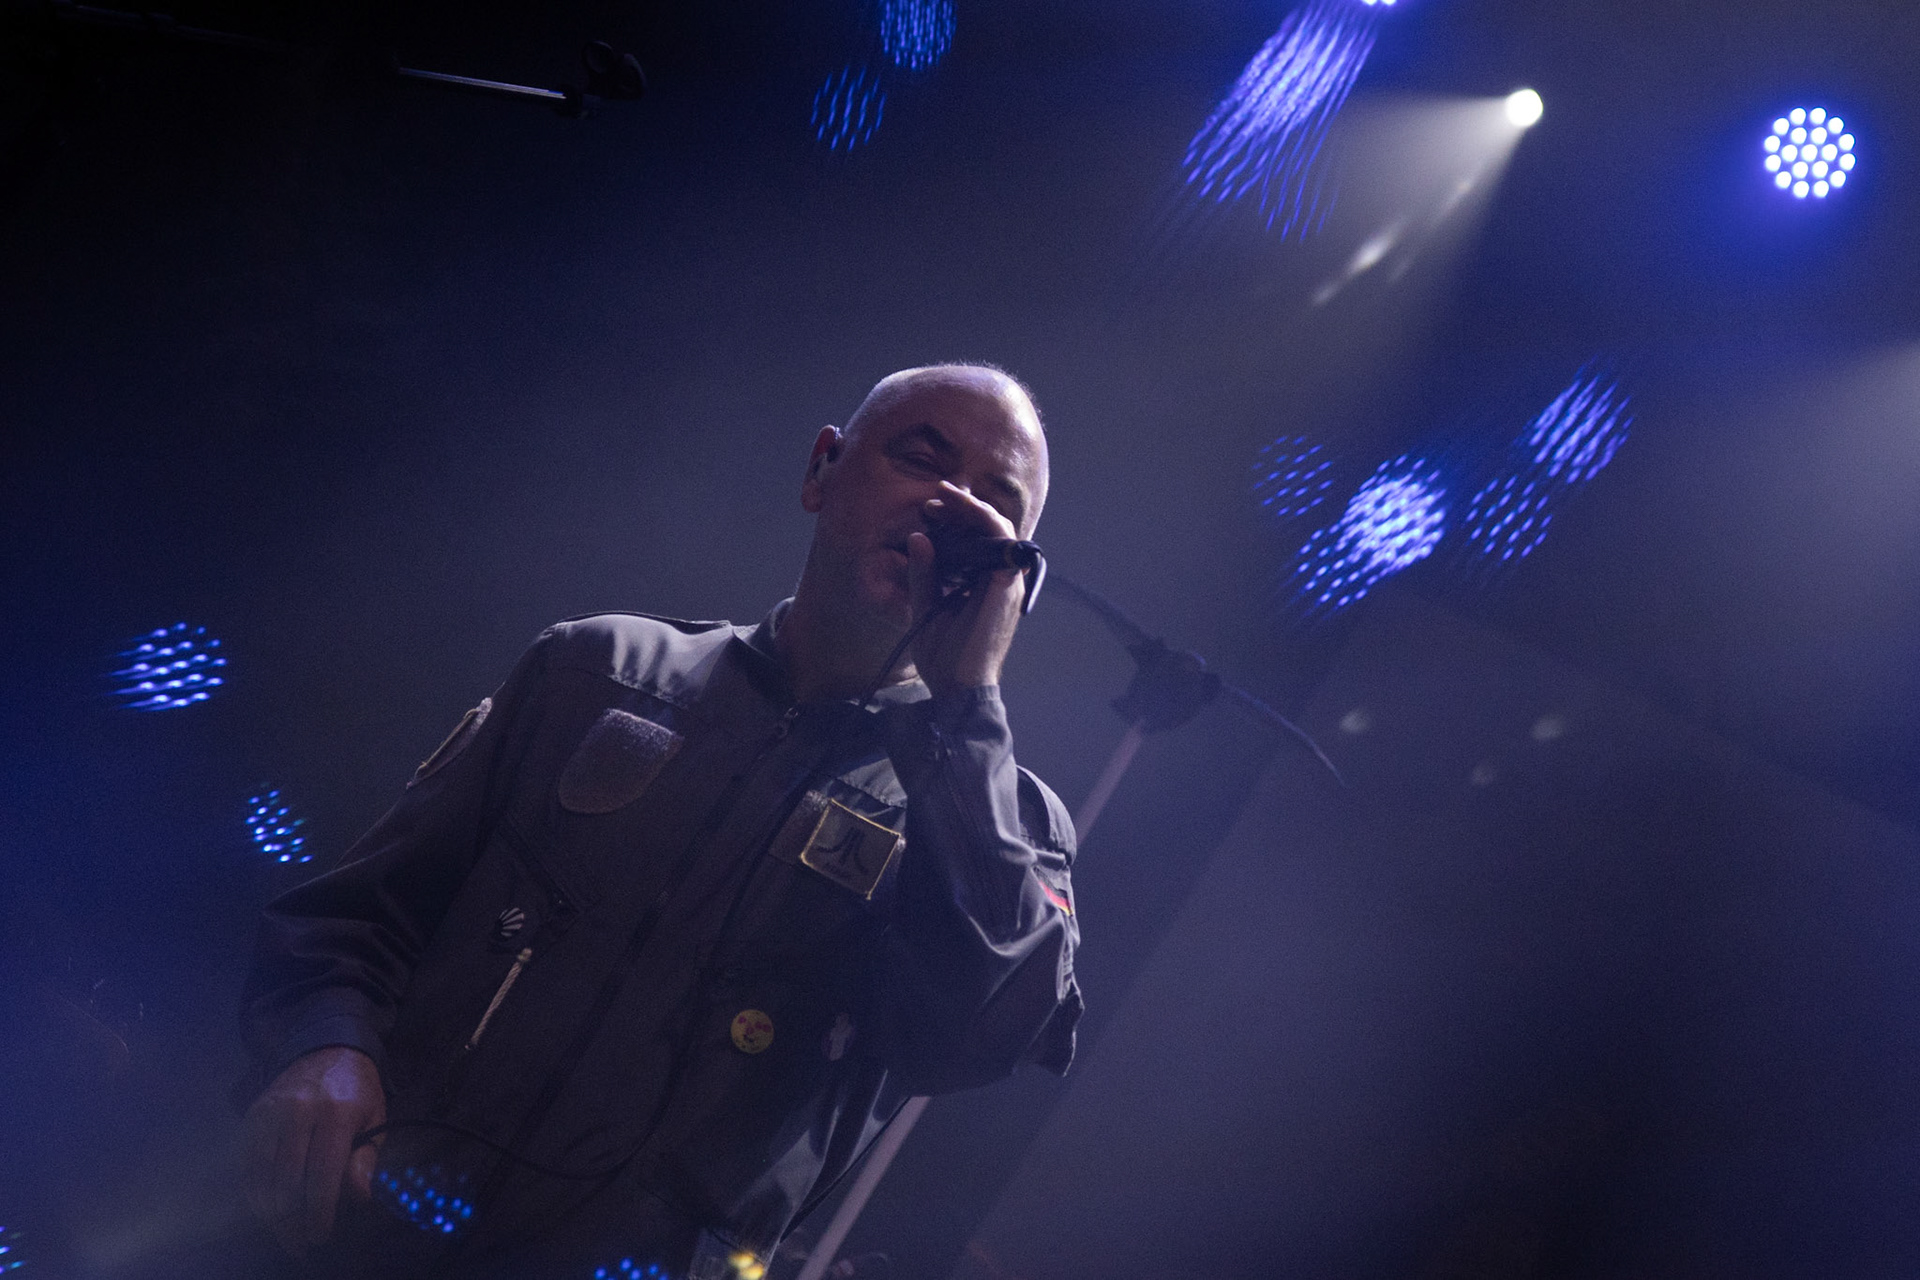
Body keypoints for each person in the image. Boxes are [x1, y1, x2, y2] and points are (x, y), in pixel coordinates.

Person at [237, 365, 1083, 1280]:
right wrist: (324, 1045)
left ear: (1018, 585)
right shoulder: (598, 669)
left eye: (997, 507)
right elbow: (358, 920)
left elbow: (973, 1039)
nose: (953, 508)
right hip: (363, 1235)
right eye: (921, 458)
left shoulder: (1006, 825)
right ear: (822, 470)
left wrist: (965, 713)